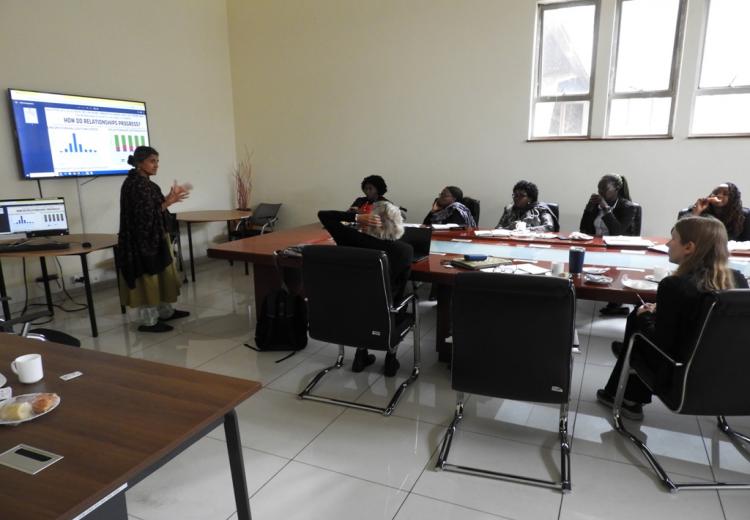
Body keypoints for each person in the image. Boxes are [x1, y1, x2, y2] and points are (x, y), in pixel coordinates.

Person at [596, 216, 748, 420]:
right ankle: (625, 395)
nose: (668, 244)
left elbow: (661, 344)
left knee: (638, 317)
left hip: (678, 376)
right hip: (724, 376)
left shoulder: (674, 285)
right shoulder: (738, 281)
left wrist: (645, 317)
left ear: (689, 247)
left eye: (673, 238)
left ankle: (629, 396)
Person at [318, 201, 413, 377]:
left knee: (363, 299)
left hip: (351, 307)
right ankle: (391, 358)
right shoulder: (405, 251)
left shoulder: (349, 238)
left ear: (368, 220)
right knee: (401, 291)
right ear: (398, 223)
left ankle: (360, 356)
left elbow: (324, 215)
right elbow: (400, 283)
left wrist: (356, 217)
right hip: (386, 312)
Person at [117, 146, 191, 333]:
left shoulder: (146, 183)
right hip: (141, 242)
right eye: (152, 161)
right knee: (148, 279)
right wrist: (169, 202)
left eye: (157, 161)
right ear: (139, 163)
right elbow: (145, 215)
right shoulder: (135, 185)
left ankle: (166, 312)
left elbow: (153, 206)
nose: (156, 165)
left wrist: (168, 198)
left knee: (163, 275)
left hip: (154, 238)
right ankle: (149, 321)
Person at [581, 174, 639, 316]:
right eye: (599, 189)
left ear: (617, 188)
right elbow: (584, 228)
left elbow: (617, 232)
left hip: (617, 249)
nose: (600, 192)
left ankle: (616, 300)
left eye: (604, 189)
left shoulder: (628, 207)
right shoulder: (596, 204)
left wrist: (605, 208)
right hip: (595, 246)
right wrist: (589, 208)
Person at [684, 182, 750, 242]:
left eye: (725, 194)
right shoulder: (698, 211)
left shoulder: (744, 216)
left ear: (733, 199)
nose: (719, 196)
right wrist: (696, 213)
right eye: (715, 193)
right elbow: (684, 238)